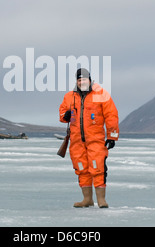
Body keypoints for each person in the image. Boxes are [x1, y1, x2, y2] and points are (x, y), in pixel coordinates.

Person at [59, 68, 119, 208]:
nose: (81, 82)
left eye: (84, 79)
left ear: (90, 80)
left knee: (98, 168)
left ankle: (101, 200)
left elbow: (111, 115)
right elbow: (62, 113)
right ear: (76, 81)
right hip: (76, 141)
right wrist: (65, 116)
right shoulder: (69, 97)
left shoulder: (101, 94)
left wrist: (112, 136)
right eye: (79, 80)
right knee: (82, 169)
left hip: (95, 140)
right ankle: (87, 199)